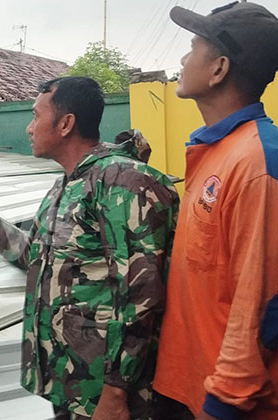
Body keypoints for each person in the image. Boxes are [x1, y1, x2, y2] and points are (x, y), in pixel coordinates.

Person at [0, 76, 179, 419]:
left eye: (36, 116)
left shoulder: (123, 183)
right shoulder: (65, 187)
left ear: (66, 124)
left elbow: (140, 296)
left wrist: (115, 393)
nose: (29, 128)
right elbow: (34, 255)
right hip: (73, 387)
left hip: (114, 397)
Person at [152, 3, 278, 420]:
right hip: (186, 385)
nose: (184, 58)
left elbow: (263, 303)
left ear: (219, 68)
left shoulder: (259, 163)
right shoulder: (214, 152)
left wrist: (223, 403)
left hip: (226, 406)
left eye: (193, 47)